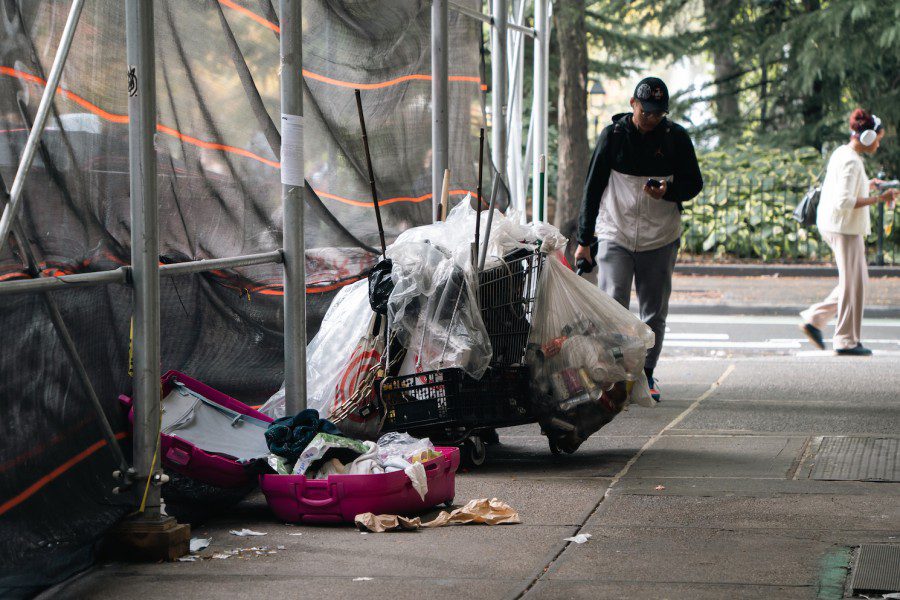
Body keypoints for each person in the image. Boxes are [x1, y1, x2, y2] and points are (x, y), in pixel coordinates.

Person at [574, 77, 703, 401]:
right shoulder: (614, 137)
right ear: (633, 104)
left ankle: (646, 373)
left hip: (660, 237)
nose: (652, 119)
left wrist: (668, 191)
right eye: (646, 112)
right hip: (616, 232)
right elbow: (593, 188)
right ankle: (615, 375)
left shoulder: (676, 138)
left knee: (653, 311)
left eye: (658, 114)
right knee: (613, 303)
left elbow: (694, 184)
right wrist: (584, 239)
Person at [800, 109, 898, 356]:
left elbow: (841, 190)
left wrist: (868, 185)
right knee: (852, 284)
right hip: (843, 228)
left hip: (837, 225)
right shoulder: (852, 160)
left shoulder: (843, 153)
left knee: (857, 283)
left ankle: (816, 319)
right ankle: (845, 340)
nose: (878, 143)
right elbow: (844, 200)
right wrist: (879, 198)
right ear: (867, 137)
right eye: (878, 138)